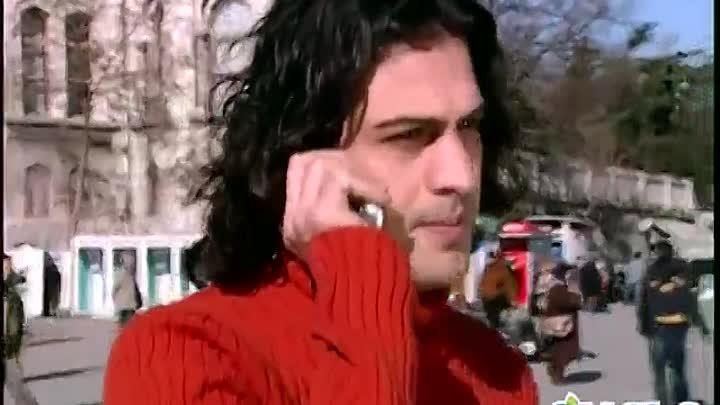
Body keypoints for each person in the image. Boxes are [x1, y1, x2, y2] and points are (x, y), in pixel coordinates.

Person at [104, 1, 538, 404]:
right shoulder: (182, 355)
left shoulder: (497, 369)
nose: (461, 175)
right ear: (305, 159)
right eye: (408, 135)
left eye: (469, 126)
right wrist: (358, 272)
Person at [636, 240, 709, 405]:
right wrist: (701, 324)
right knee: (677, 367)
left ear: (657, 252)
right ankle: (680, 399)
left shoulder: (651, 271)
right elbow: (691, 300)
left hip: (658, 326)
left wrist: (643, 325)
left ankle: (663, 401)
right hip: (679, 325)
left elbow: (644, 301)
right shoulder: (683, 269)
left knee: (659, 371)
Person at [534, 258, 582, 385]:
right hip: (562, 325)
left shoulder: (554, 287)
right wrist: (575, 294)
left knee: (559, 351)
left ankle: (556, 373)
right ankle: (556, 375)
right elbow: (573, 302)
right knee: (562, 352)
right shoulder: (559, 288)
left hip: (556, 323)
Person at [3, 253, 40, 405]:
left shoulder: (13, 296)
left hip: (9, 349)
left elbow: (16, 326)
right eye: (6, 266)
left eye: (8, 266)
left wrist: (16, 349)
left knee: (17, 388)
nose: (8, 268)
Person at [112, 252, 141, 327]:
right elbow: (115, 289)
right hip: (126, 306)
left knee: (127, 326)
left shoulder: (129, 275)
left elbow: (115, 289)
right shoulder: (124, 274)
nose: (130, 264)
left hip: (128, 305)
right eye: (129, 261)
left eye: (131, 262)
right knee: (127, 325)